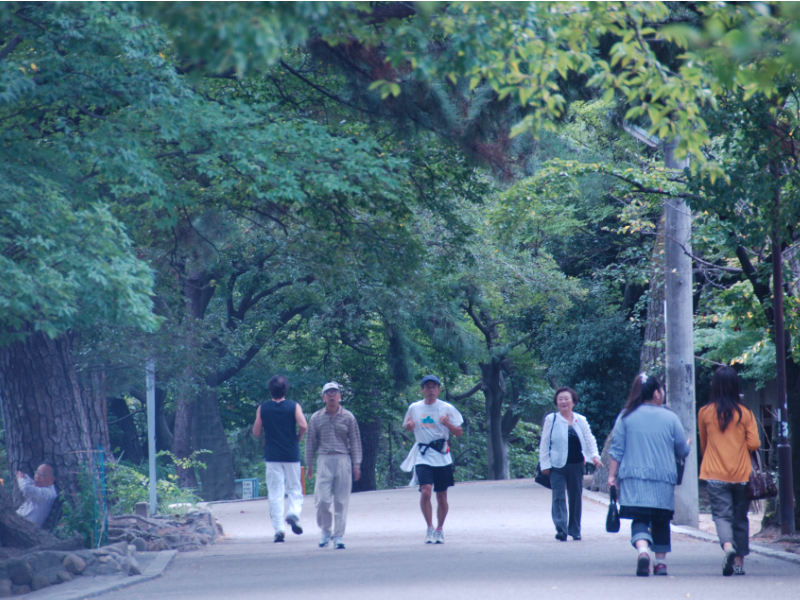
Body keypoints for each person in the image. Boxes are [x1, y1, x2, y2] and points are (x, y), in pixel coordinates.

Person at [608, 373, 691, 577]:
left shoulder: (625, 416)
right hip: (663, 479)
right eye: (662, 389)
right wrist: (686, 446)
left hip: (633, 478)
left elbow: (616, 449)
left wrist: (612, 477)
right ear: (656, 393)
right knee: (661, 520)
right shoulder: (670, 417)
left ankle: (643, 550)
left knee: (639, 518)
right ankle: (660, 563)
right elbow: (681, 449)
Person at [698, 366, 761, 576]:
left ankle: (728, 548)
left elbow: (703, 445)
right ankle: (739, 564)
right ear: (736, 386)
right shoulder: (745, 413)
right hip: (742, 475)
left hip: (714, 474)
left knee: (722, 517)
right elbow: (754, 443)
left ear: (714, 386)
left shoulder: (705, 412)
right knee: (740, 518)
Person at [402, 374, 464, 544]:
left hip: (442, 456)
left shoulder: (446, 408)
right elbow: (407, 427)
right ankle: (429, 527)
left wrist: (448, 425)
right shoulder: (414, 408)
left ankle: (439, 529)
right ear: (422, 389)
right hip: (423, 455)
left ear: (439, 389)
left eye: (434, 386)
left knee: (442, 496)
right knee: (426, 491)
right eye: (427, 387)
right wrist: (408, 427)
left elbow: (459, 432)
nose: (430, 390)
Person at [539, 387, 603, 541]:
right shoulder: (551, 419)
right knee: (558, 497)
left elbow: (589, 438)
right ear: (556, 402)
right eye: (560, 399)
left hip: (576, 464)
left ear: (573, 401)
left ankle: (575, 530)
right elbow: (544, 442)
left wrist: (594, 456)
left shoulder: (580, 420)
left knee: (575, 497)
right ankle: (561, 529)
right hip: (556, 465)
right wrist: (545, 464)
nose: (563, 401)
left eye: (566, 398)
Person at [305, 382, 363, 550]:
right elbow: (310, 443)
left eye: (334, 392)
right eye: (328, 393)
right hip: (324, 459)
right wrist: (309, 464)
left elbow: (355, 442)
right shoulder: (316, 418)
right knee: (322, 499)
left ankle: (338, 535)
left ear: (340, 396)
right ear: (323, 397)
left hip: (343, 459)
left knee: (341, 500)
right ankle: (325, 530)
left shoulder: (348, 417)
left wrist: (357, 464)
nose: (331, 395)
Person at [252, 374, 308, 543]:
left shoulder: (263, 408)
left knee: (275, 492)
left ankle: (279, 530)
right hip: (291, 453)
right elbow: (304, 425)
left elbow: (256, 432)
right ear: (286, 390)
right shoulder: (293, 406)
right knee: (294, 488)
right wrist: (298, 437)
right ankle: (293, 513)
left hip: (272, 455)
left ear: (270, 390)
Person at [16, 462, 58, 527]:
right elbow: (31, 484)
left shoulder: (47, 493)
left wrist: (21, 478)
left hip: (22, 529)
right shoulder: (42, 489)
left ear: (52, 479)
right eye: (37, 473)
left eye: (43, 475)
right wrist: (25, 477)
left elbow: (26, 488)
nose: (37, 477)